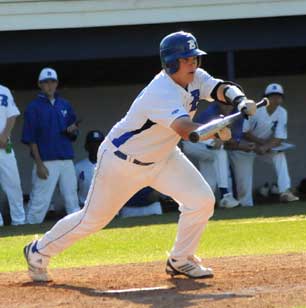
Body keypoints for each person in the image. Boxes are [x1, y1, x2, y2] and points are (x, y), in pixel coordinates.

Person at [23, 31, 257, 282]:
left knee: (201, 201)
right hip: (121, 162)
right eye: (186, 59)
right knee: (93, 220)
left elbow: (222, 88)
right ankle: (38, 251)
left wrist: (240, 101)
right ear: (171, 62)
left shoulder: (196, 77)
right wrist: (215, 131)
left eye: (195, 58)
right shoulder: (160, 92)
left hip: (164, 157)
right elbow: (187, 130)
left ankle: (181, 259)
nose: (193, 63)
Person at [22, 68, 80, 224]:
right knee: (39, 203)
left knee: (72, 199)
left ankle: (77, 233)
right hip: (46, 161)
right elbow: (31, 139)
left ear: (57, 83)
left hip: (66, 158)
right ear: (39, 84)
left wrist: (72, 130)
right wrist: (39, 164)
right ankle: (28, 236)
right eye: (46, 82)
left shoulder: (65, 104)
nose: (49, 85)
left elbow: (74, 132)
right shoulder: (33, 107)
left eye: (52, 82)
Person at [228, 83, 298, 206]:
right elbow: (244, 133)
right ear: (265, 98)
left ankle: (285, 191)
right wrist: (261, 144)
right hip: (243, 147)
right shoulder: (254, 109)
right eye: (272, 96)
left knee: (279, 155)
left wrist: (265, 147)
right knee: (243, 186)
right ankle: (246, 207)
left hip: (262, 147)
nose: (276, 99)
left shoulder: (282, 112)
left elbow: (279, 137)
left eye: (278, 96)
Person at [182, 101, 240, 208]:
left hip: (207, 149)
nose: (227, 107)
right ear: (219, 104)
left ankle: (199, 205)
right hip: (193, 141)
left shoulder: (237, 113)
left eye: (230, 104)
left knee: (210, 183)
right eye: (224, 104)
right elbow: (196, 133)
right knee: (220, 151)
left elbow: (234, 140)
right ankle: (225, 194)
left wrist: (222, 140)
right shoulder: (211, 112)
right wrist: (217, 140)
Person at [0, 84, 26, 226]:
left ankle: (19, 221)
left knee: (14, 185)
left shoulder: (4, 90)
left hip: (5, 147)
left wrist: (5, 135)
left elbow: (12, 115)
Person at [75, 130, 105, 207]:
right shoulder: (78, 167)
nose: (96, 147)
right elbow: (73, 191)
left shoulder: (110, 165)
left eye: (99, 144)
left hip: (105, 207)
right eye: (93, 143)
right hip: (83, 207)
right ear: (87, 146)